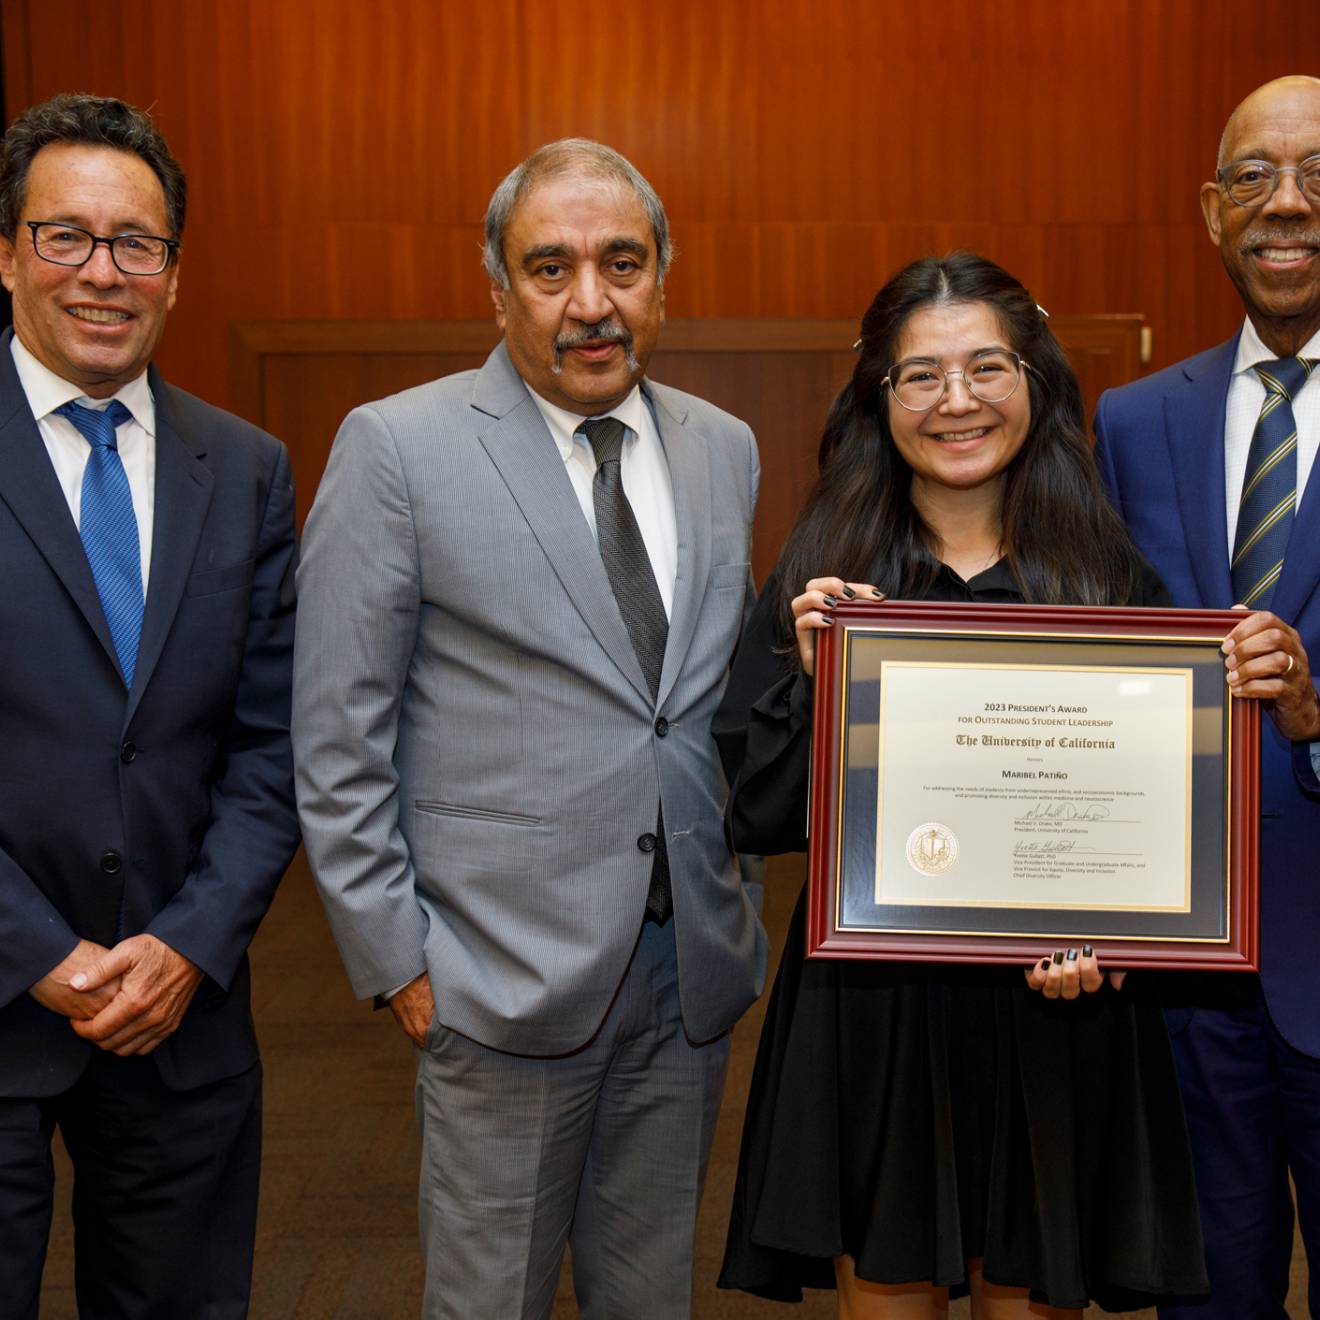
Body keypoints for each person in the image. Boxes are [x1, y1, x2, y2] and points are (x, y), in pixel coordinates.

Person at [292, 138, 765, 1319]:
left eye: (623, 263)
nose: (591, 303)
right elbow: (336, 733)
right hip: (492, 978)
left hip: (683, 970)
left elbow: (695, 705)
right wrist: (397, 956)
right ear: (497, 287)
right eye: (550, 268)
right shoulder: (397, 448)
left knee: (651, 1295)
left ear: (666, 278)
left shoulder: (723, 447)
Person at [715, 252, 1210, 1317]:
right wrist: (811, 685)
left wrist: (1113, 938)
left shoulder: (1108, 578)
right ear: (878, 398)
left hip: (1055, 1018)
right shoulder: (825, 574)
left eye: (986, 366)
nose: (957, 401)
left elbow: (1161, 834)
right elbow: (754, 812)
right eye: (920, 375)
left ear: (1035, 380)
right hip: (875, 1015)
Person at [0, 94, 298, 1317]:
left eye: (138, 243)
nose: (103, 272)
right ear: (7, 252)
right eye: (66, 236)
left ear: (174, 271)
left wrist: (187, 944)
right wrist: (41, 954)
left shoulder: (247, 466)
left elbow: (276, 743)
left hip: (183, 1019)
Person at [1094, 74, 1320, 1319]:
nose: (1287, 205)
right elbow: (1087, 658)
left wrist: (1317, 714)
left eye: (1319, 176)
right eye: (1254, 176)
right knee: (1206, 1298)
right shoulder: (1131, 420)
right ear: (1209, 211)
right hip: (1184, 980)